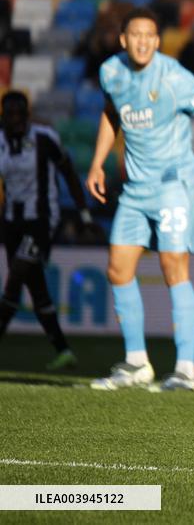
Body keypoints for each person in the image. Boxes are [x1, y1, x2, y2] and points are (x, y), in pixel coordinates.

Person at [87, 8, 194, 392]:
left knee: (174, 266)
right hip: (135, 188)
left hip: (174, 184)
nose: (143, 41)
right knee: (118, 269)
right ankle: (137, 363)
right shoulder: (111, 72)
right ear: (123, 40)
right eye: (135, 34)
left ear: (157, 41)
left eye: (150, 36)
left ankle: (186, 369)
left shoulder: (174, 77)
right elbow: (112, 114)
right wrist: (97, 164)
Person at [0, 92, 95, 369]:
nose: (16, 120)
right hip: (11, 222)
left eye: (20, 114)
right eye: (10, 115)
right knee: (33, 285)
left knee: (17, 273)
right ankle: (63, 350)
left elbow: (69, 174)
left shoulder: (44, 138)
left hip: (42, 219)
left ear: (28, 115)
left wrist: (84, 214)